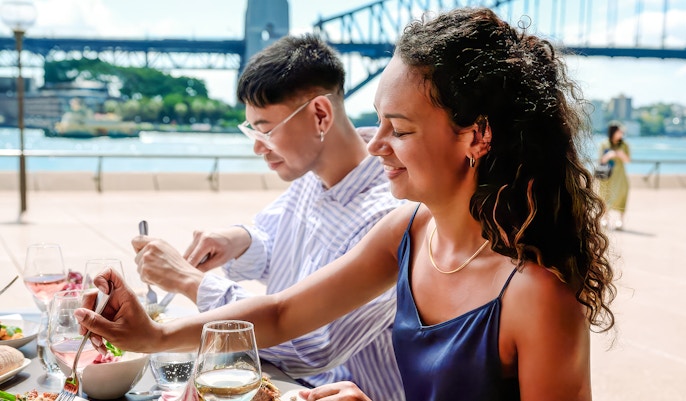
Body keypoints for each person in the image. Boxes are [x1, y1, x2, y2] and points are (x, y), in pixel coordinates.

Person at [78, 8, 616, 401]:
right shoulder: (409, 230)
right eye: (378, 120)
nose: (376, 144)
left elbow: (306, 339)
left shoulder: (538, 297)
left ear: (476, 137)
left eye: (399, 129)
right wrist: (153, 335)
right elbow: (283, 312)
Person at [131, 34, 404, 401]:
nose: (258, 147)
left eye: (265, 129)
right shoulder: (313, 177)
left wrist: (189, 281)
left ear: (320, 115)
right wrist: (236, 240)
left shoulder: (388, 213)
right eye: (251, 130)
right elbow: (270, 238)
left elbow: (309, 345)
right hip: (288, 387)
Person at [598, 122, 631, 230]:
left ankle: (620, 220)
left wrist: (620, 154)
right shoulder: (604, 144)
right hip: (607, 175)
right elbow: (601, 160)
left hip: (620, 176)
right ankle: (605, 219)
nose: (621, 133)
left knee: (622, 195)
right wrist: (608, 156)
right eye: (619, 131)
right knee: (605, 195)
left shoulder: (624, 145)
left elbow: (628, 160)